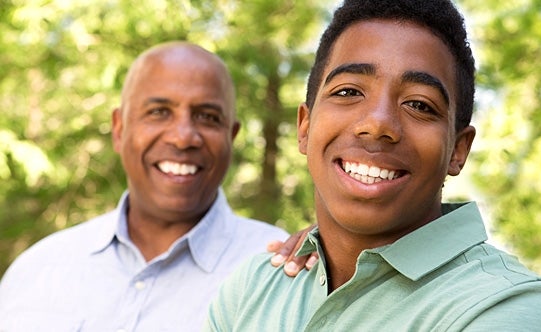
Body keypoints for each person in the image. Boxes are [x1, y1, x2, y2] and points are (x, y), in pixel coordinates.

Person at [206, 0, 541, 330]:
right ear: (305, 128)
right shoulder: (255, 287)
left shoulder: (505, 307)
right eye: (348, 92)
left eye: (419, 104)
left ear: (458, 150)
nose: (378, 123)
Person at [0, 42, 311, 331]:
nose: (183, 137)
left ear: (231, 137)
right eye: (159, 112)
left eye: (207, 116)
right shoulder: (38, 269)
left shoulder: (281, 272)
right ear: (119, 129)